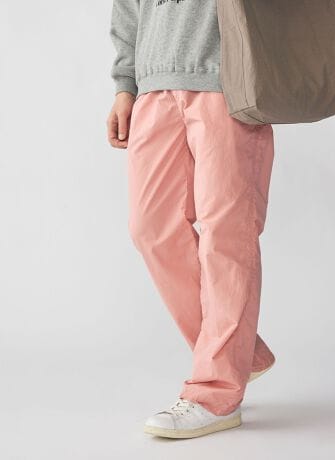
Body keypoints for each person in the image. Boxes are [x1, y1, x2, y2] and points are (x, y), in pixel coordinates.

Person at [107, 0, 276, 439]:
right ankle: (241, 355)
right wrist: (126, 85)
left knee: (227, 234)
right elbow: (128, 7)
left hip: (229, 83)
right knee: (150, 229)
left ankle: (216, 394)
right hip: (154, 85)